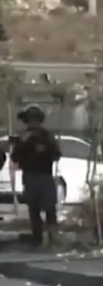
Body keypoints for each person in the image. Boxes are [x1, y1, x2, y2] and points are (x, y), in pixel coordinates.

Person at [10, 105, 62, 247]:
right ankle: (37, 237)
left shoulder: (47, 136)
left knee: (50, 208)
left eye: (35, 119)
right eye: (31, 120)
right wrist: (24, 145)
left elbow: (56, 155)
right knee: (34, 208)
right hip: (30, 176)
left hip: (45, 175)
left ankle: (53, 237)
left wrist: (46, 149)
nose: (33, 123)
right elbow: (15, 157)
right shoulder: (24, 137)